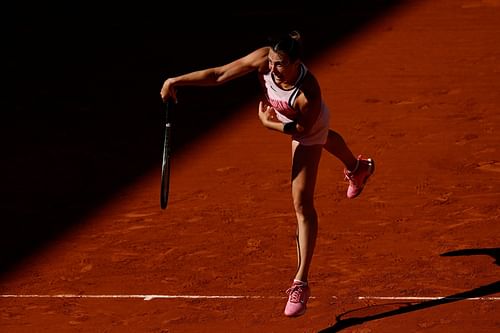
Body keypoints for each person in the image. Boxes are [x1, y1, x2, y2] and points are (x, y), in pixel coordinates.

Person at [160, 30, 374, 317]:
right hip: (294, 122)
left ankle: (301, 282)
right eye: (272, 61)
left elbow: (302, 131)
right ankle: (358, 168)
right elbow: (219, 74)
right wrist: (176, 80)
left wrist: (266, 123)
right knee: (325, 139)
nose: (273, 69)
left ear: (297, 63)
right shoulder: (264, 60)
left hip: (304, 128)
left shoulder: (308, 94)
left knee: (302, 203)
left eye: (281, 64)